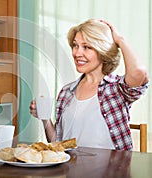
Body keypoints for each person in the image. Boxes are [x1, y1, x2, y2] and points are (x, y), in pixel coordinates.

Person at [30, 19, 149, 150]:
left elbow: (138, 72)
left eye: (86, 47)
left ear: (103, 51)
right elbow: (58, 144)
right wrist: (45, 118)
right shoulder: (66, 92)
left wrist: (120, 40)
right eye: (75, 45)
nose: (77, 53)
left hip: (111, 170)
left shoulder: (116, 89)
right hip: (71, 169)